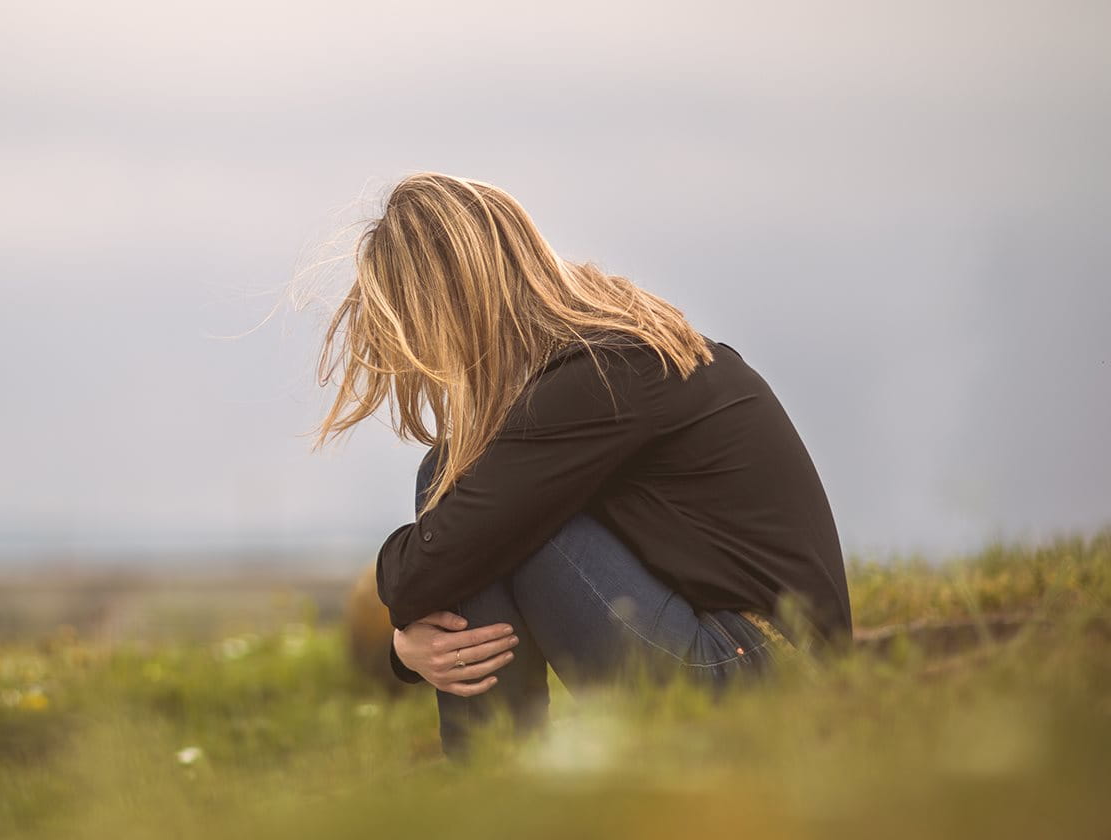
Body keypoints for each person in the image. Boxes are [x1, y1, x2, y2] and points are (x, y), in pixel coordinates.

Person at [310, 172, 853, 760]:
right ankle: (496, 789)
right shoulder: (612, 351)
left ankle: (493, 788)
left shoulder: (602, 374)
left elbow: (422, 574)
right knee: (474, 499)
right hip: (761, 659)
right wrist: (409, 642)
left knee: (456, 482)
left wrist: (403, 644)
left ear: (452, 304)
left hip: (760, 676)